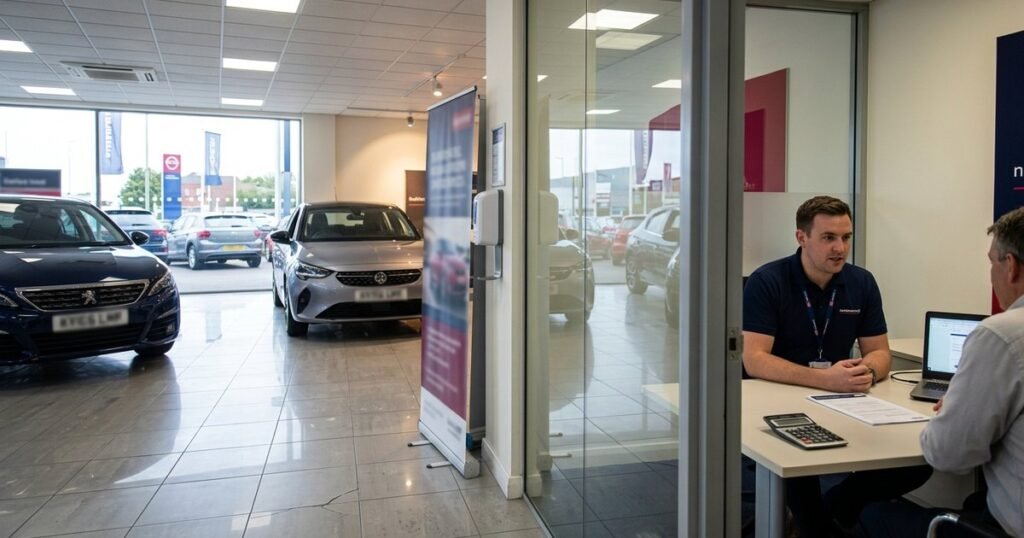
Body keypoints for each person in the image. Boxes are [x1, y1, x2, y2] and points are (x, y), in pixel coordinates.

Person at [742, 195, 931, 537]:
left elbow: (880, 352)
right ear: (802, 238)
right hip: (778, 398)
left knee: (919, 463)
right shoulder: (767, 281)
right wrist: (824, 379)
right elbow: (754, 360)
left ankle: (832, 509)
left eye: (846, 237)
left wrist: (868, 371)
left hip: (839, 397)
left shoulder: (861, 282)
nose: (840, 248)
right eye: (828, 237)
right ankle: (814, 523)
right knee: (801, 473)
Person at [861, 206, 1024, 538]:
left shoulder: (1001, 335)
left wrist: (956, 407)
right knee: (975, 497)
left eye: (991, 262)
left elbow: (948, 454)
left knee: (871, 515)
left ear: (1010, 267)